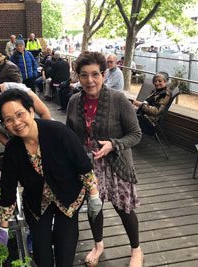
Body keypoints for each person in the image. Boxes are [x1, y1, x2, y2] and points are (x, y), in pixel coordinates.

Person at [0, 89, 102, 267]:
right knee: (41, 251)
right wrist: (3, 226)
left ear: (31, 111)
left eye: (20, 114)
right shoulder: (13, 149)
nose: (16, 123)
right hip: (37, 201)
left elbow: (83, 165)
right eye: (8, 120)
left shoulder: (58, 132)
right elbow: (8, 188)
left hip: (68, 195)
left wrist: (94, 195)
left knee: (65, 244)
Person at [66, 51, 144, 267]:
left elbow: (136, 134)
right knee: (94, 206)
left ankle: (136, 250)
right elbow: (69, 134)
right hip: (88, 165)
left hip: (116, 162)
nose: (89, 80)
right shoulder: (74, 101)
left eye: (95, 74)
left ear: (103, 74)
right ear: (78, 77)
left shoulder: (118, 99)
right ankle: (98, 245)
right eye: (83, 75)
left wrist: (113, 144)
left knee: (124, 209)